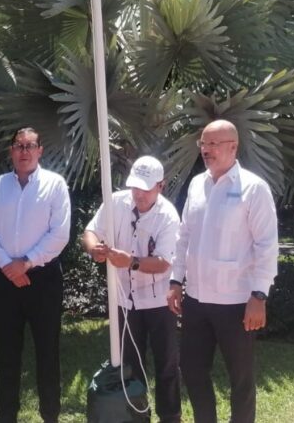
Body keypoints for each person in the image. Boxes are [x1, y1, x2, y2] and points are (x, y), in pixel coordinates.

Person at [167, 119, 278, 423]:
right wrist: (176, 280)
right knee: (191, 369)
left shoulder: (254, 188)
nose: (207, 150)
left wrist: (259, 294)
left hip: (237, 302)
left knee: (240, 378)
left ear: (234, 146)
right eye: (204, 143)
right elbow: (184, 236)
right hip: (198, 299)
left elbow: (267, 245)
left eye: (215, 144)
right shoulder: (197, 185)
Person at [0, 127, 71, 423]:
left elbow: (60, 234)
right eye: (19, 146)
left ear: (40, 150)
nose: (24, 151)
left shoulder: (55, 185)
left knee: (47, 354)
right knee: (7, 355)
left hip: (43, 281)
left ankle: (50, 416)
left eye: (30, 145)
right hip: (5, 280)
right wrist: (9, 265)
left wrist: (26, 263)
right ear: (11, 151)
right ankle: (6, 416)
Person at [82, 155, 182, 423]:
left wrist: (132, 262)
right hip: (124, 301)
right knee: (128, 365)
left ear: (160, 186)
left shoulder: (168, 215)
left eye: (145, 188)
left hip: (159, 301)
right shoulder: (116, 202)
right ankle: (136, 414)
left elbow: (164, 263)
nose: (138, 193)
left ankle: (170, 416)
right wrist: (95, 250)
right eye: (135, 186)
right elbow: (90, 231)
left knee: (166, 364)